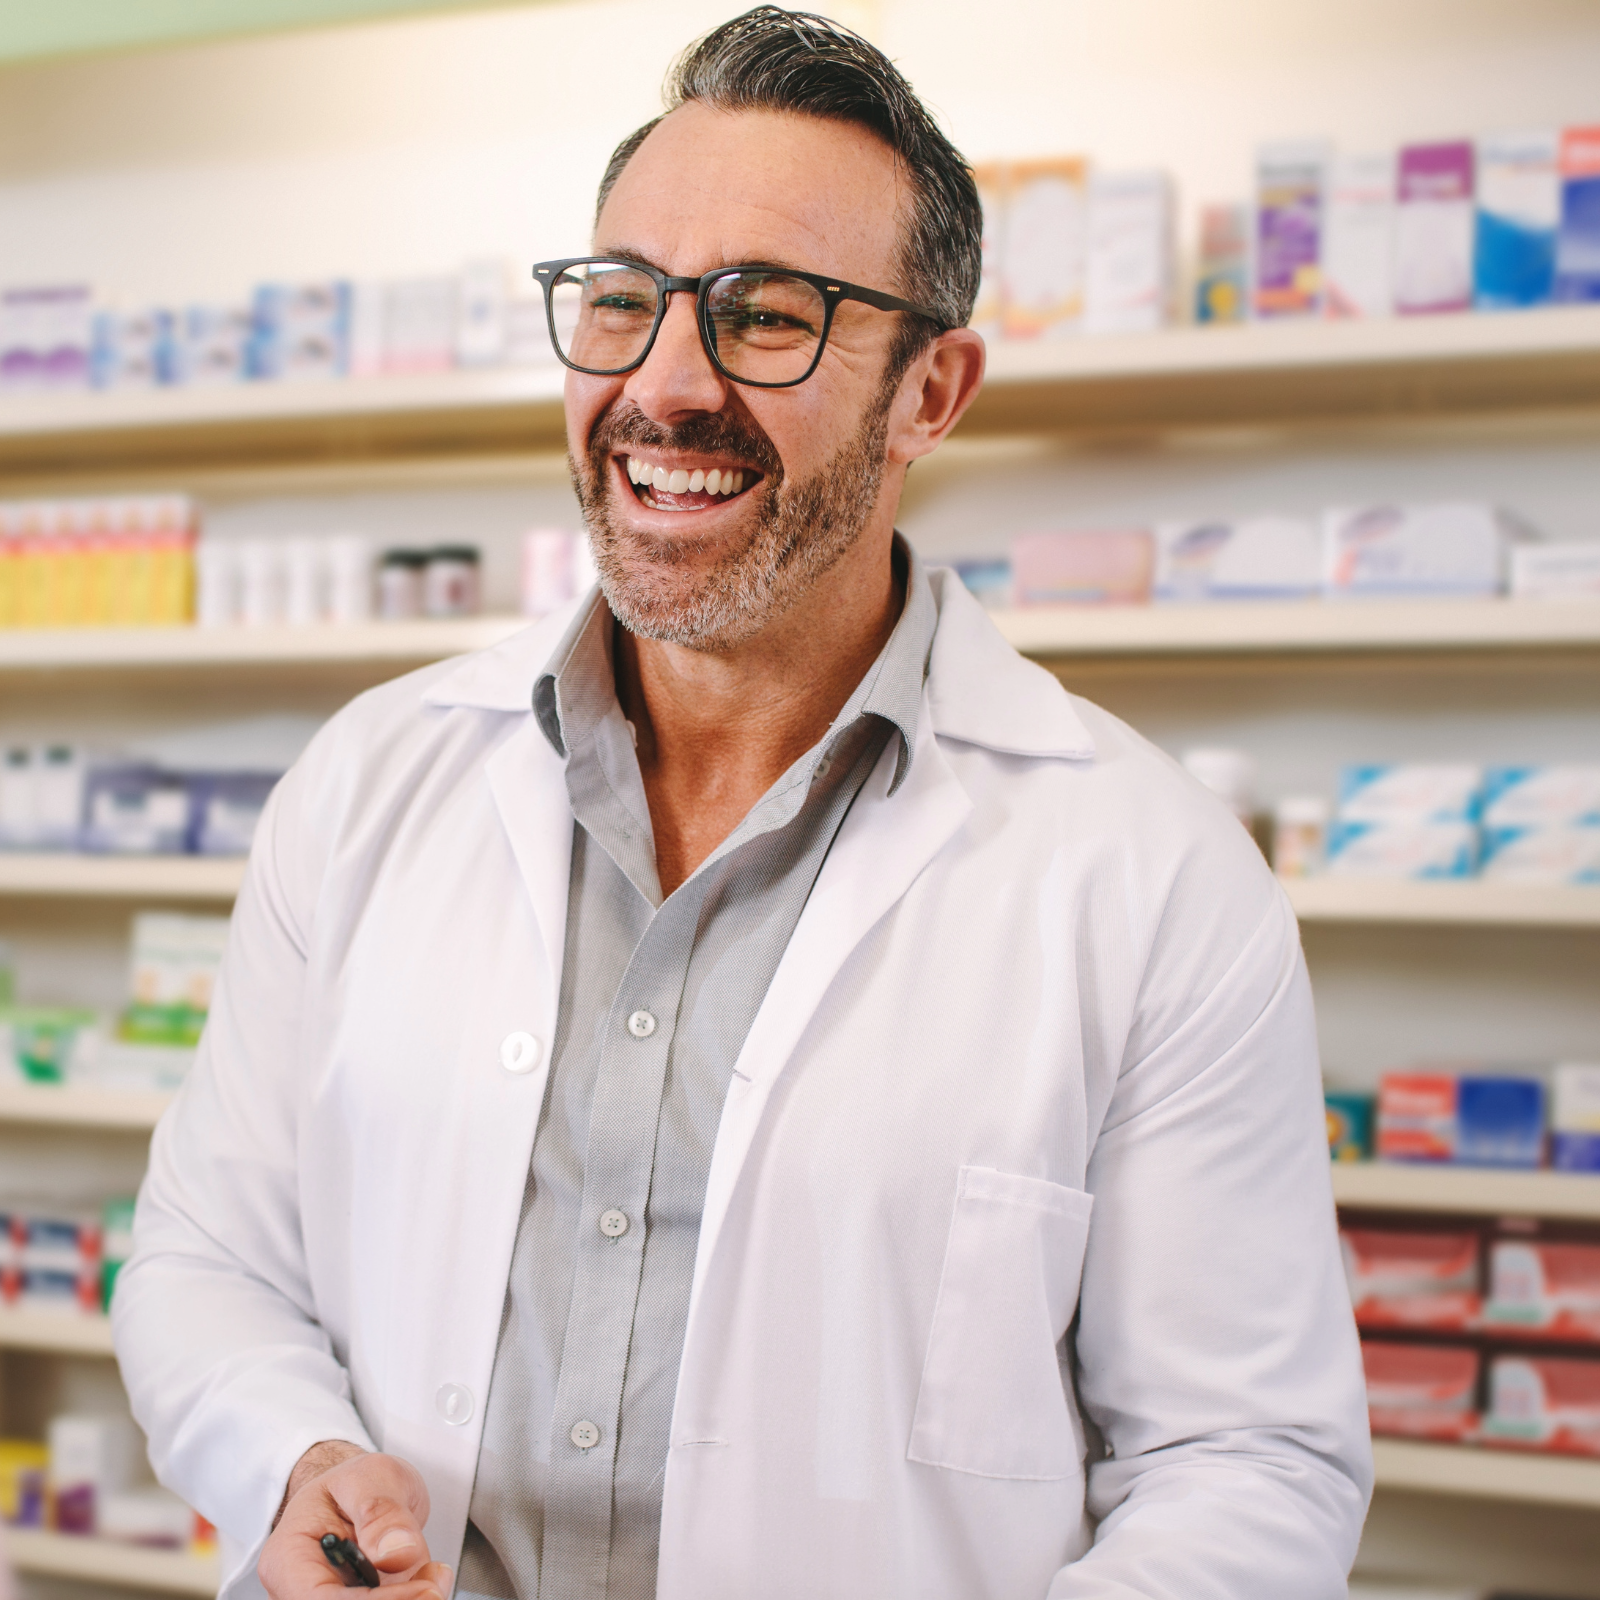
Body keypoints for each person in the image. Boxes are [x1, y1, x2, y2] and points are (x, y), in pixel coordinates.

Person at [112, 9, 1372, 1599]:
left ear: (933, 390)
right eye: (626, 301)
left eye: (767, 318)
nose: (668, 385)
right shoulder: (370, 783)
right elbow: (206, 1261)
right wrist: (286, 1455)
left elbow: (1246, 1467)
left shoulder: (1152, 880)